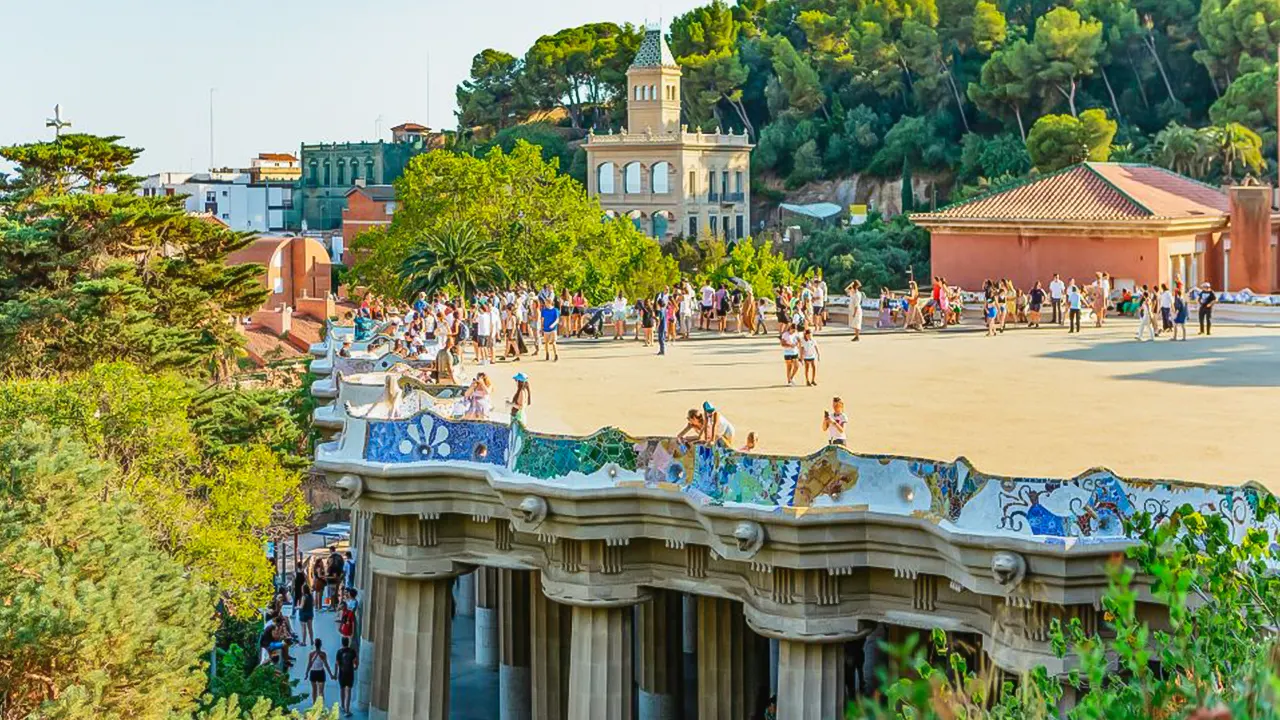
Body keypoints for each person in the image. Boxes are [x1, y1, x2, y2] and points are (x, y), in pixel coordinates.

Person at [306, 638, 334, 707]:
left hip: (313, 672)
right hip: (321, 673)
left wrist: (306, 673)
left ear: (315, 645)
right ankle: (321, 706)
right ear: (320, 645)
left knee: (314, 690)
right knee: (321, 692)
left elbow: (309, 664)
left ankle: (314, 704)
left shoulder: (311, 654)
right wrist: (331, 674)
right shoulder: (323, 654)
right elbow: (326, 665)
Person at [335, 637, 359, 717]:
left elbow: (337, 664)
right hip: (350, 673)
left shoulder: (339, 652)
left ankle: (342, 705)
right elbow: (356, 662)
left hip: (342, 673)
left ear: (342, 643)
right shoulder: (352, 651)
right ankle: (347, 710)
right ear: (348, 643)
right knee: (348, 691)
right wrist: (355, 667)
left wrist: (335, 674)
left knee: (342, 689)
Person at [296, 580, 315, 645]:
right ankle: (312, 641)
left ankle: (304, 642)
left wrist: (296, 607)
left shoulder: (304, 597)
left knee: (303, 628)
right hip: (310, 613)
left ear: (303, 590)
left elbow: (301, 606)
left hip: (303, 614)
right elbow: (313, 604)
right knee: (310, 628)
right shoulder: (311, 596)